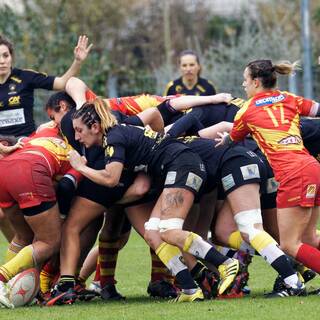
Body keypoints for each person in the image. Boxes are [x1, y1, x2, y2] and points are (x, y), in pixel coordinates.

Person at [68, 99, 240, 302]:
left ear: (95, 127)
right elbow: (153, 116)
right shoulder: (119, 131)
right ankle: (190, 288)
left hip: (182, 166)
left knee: (169, 230)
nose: (77, 137)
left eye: (79, 130)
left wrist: (80, 167)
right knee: (153, 233)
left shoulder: (113, 138)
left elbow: (111, 178)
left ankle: (225, 263)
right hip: (179, 167)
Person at [216, 59, 320, 297]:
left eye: (245, 79)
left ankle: (293, 286)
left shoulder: (247, 110)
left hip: (293, 173)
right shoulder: (289, 98)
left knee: (289, 244)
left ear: (255, 82)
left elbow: (233, 137)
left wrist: (223, 141)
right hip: (312, 166)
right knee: (309, 238)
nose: (243, 84)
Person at [0, 34, 92, 137]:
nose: (2, 61)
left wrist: (77, 61)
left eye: (5, 55)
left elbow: (61, 83)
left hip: (26, 142)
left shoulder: (25, 76)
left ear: (11, 57)